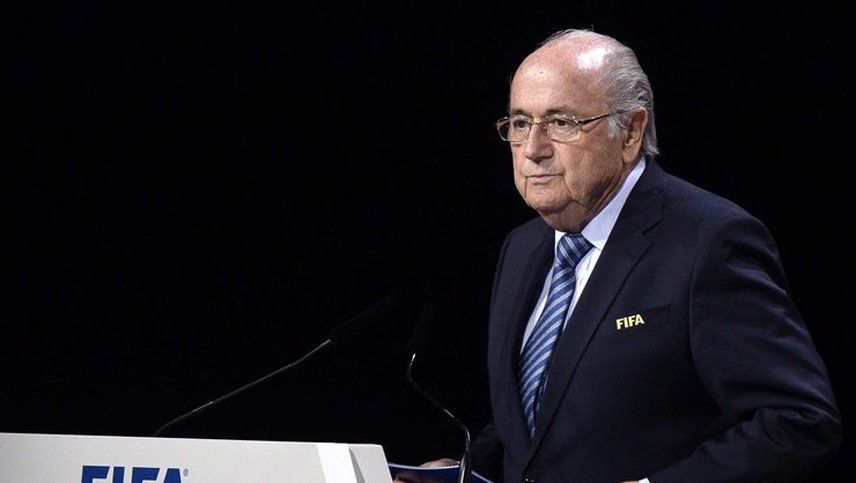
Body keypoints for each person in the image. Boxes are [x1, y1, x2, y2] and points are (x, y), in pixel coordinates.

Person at [396, 29, 842, 483]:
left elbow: (799, 421)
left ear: (630, 131)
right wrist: (460, 472)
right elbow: (540, 428)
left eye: (561, 123)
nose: (533, 149)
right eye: (520, 123)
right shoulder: (523, 247)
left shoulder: (709, 242)